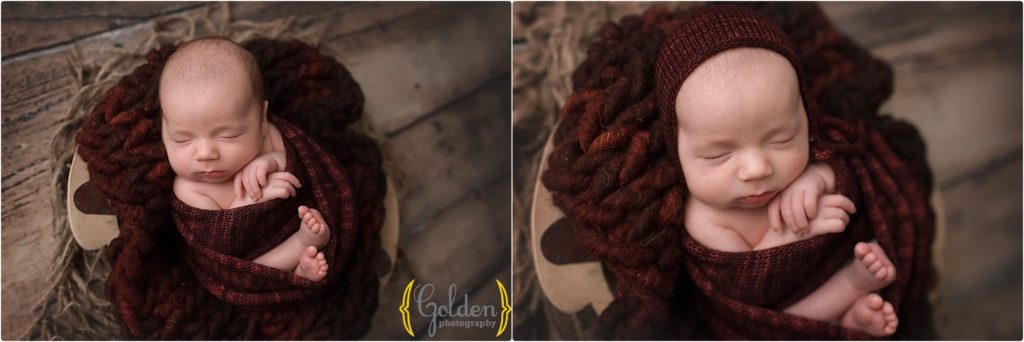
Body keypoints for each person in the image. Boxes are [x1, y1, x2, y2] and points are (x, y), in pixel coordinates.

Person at [663, 42, 898, 335]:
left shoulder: (809, 157)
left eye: (781, 140)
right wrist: (794, 230)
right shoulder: (703, 218)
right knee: (776, 320)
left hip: (831, 263)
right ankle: (853, 288)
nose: (757, 169)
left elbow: (846, 168)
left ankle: (851, 320)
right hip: (774, 309)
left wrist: (818, 176)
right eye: (719, 155)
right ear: (676, 151)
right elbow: (748, 288)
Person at [159, 36, 330, 281]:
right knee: (243, 269)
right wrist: (252, 198)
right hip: (250, 255)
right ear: (165, 129)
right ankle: (301, 252)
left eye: (229, 136)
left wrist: (270, 161)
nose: (206, 154)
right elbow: (222, 243)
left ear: (261, 119)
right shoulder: (189, 188)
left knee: (311, 208)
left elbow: (297, 160)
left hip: (293, 216)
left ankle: (308, 248)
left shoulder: (266, 135)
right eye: (183, 139)